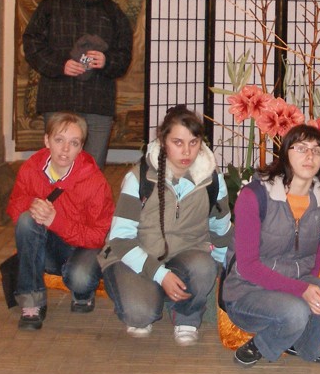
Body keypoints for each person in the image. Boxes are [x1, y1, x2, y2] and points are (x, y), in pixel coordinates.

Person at [98, 106, 232, 346]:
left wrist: (221, 274)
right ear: (163, 140)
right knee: (140, 315)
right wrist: (160, 275)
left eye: (193, 142)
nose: (186, 151)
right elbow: (120, 239)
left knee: (205, 268)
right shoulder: (139, 178)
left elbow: (221, 231)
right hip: (135, 255)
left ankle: (186, 316)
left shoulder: (213, 180)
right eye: (177, 142)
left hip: (186, 255)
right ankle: (152, 293)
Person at [221, 124, 320, 367]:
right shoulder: (254, 196)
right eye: (301, 148)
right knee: (296, 311)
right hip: (247, 290)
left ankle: (304, 344)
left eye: (316, 150)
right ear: (285, 153)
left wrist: (308, 284)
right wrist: (300, 290)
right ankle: (261, 344)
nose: (310, 156)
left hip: (295, 281)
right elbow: (247, 266)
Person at [22, 0, 132, 168]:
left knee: (92, 169)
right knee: (58, 167)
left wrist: (106, 61)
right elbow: (31, 43)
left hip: (98, 101)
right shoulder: (52, 3)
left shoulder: (113, 12)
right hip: (58, 98)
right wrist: (60, 65)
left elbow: (124, 55)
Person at [6, 112, 115, 330]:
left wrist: (56, 221)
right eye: (59, 140)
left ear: (81, 147)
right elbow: (14, 207)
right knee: (27, 220)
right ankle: (32, 302)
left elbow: (99, 236)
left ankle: (83, 292)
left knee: (80, 278)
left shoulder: (95, 181)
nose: (65, 149)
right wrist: (32, 204)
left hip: (83, 247)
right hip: (47, 245)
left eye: (73, 143)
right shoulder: (30, 168)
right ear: (47, 140)